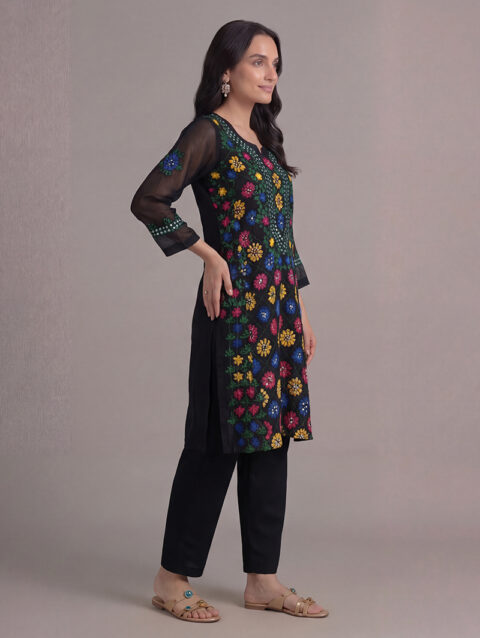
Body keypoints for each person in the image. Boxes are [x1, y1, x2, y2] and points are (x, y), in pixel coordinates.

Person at [130, 19, 329, 623]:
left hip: (277, 316)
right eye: (258, 62)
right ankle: (171, 579)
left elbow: (280, 237)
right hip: (234, 315)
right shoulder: (207, 134)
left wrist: (299, 309)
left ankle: (262, 580)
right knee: (216, 442)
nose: (271, 74)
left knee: (271, 443)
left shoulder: (264, 142)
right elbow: (149, 199)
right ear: (226, 70)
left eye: (276, 64)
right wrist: (208, 255)